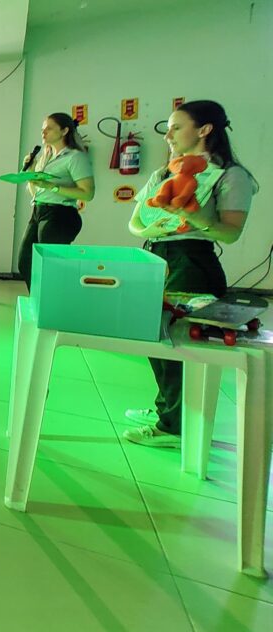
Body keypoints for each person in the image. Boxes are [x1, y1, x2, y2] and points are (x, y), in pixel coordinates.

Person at [123, 100, 257, 448]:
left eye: (175, 127)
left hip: (192, 261)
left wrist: (192, 217)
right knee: (153, 338)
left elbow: (229, 232)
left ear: (204, 130)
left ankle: (174, 427)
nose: (167, 135)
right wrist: (163, 223)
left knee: (178, 340)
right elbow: (136, 222)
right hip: (156, 257)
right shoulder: (163, 173)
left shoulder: (231, 175)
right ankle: (170, 410)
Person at [18, 112, 96, 288]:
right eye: (42, 129)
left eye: (49, 128)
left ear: (64, 130)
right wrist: (31, 172)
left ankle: (53, 304)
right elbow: (36, 193)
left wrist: (51, 186)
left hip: (61, 214)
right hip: (38, 211)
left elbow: (88, 193)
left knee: (51, 267)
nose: (43, 133)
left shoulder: (75, 157)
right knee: (25, 262)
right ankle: (39, 301)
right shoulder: (44, 158)